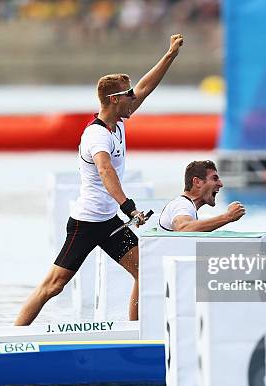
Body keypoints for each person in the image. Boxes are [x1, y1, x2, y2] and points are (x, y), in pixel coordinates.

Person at [15, 34, 185, 325]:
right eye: (129, 95)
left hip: (109, 223)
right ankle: (15, 334)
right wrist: (129, 207)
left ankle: (135, 332)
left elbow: (146, 86)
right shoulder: (96, 135)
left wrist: (169, 54)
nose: (135, 98)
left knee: (145, 270)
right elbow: (106, 171)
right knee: (54, 285)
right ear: (115, 100)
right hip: (86, 223)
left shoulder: (119, 120)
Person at [158, 160, 245, 232]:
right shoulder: (182, 204)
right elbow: (183, 229)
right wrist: (228, 216)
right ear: (197, 182)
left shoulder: (186, 205)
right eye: (215, 179)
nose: (221, 184)